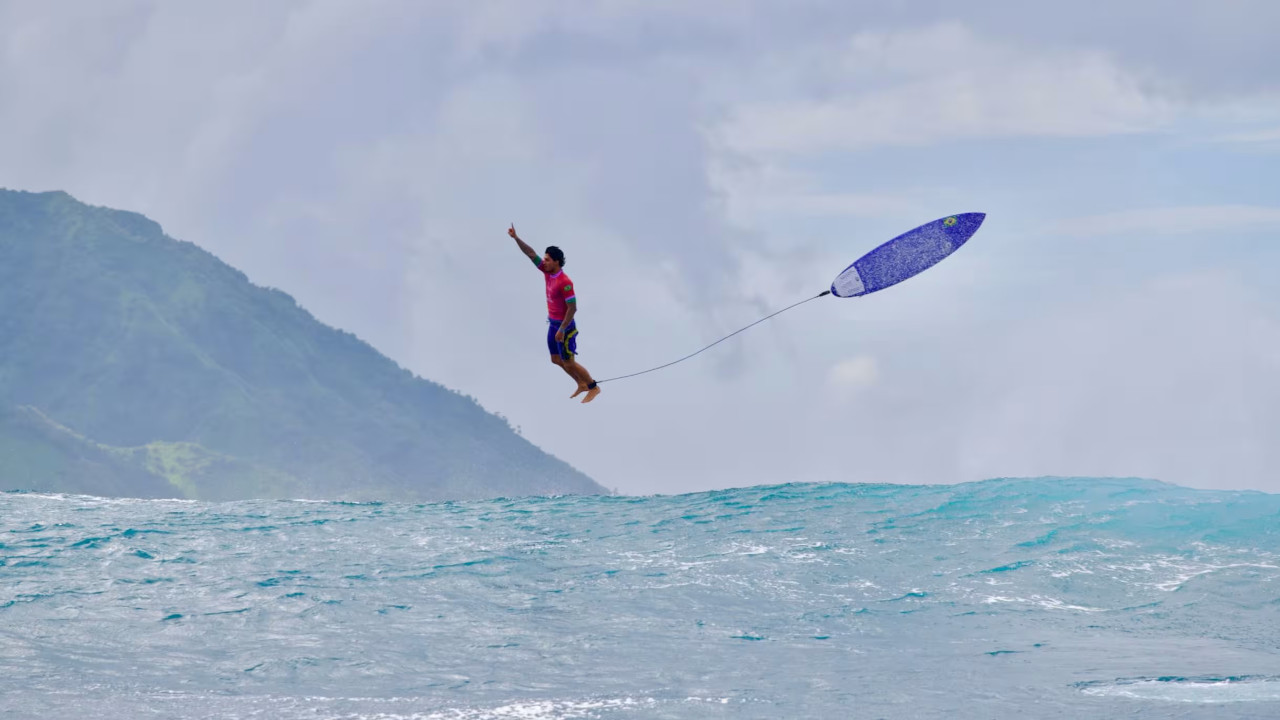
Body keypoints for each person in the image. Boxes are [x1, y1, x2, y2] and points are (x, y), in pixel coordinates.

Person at [507, 224, 601, 404]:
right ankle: (580, 383)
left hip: (565, 327)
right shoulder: (546, 272)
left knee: (569, 362)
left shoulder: (565, 282)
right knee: (556, 359)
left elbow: (573, 308)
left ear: (556, 262)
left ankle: (592, 386)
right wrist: (516, 238)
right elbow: (530, 254)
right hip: (553, 323)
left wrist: (563, 329)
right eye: (545, 259)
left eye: (548, 259)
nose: (544, 262)